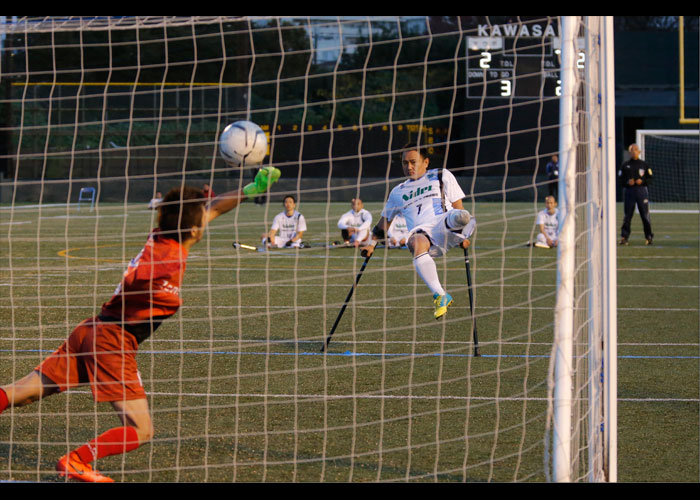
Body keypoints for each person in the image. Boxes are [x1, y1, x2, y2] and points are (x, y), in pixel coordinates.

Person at [0, 166, 281, 483]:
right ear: (194, 230)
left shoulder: (165, 235)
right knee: (141, 429)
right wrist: (140, 279)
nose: (208, 216)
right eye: (202, 216)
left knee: (23, 392)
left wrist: (250, 190)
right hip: (112, 342)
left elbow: (214, 207)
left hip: (91, 330)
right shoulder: (169, 257)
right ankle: (77, 461)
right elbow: (141, 274)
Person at [361, 143, 475, 320]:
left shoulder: (440, 175)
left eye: (413, 162)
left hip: (443, 222)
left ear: (426, 162)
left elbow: (456, 204)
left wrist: (461, 237)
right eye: (405, 163)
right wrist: (370, 245)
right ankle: (440, 295)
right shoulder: (397, 192)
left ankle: (463, 226)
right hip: (423, 233)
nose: (409, 167)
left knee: (461, 215)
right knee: (414, 242)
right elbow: (382, 225)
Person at [618, 143, 654, 245]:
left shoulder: (644, 165)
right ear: (629, 152)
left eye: (636, 149)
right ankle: (624, 237)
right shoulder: (625, 165)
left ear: (639, 152)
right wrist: (627, 182)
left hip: (641, 192)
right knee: (627, 216)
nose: (634, 151)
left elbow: (650, 179)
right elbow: (620, 179)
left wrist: (642, 181)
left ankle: (649, 236)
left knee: (645, 215)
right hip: (630, 192)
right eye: (632, 150)